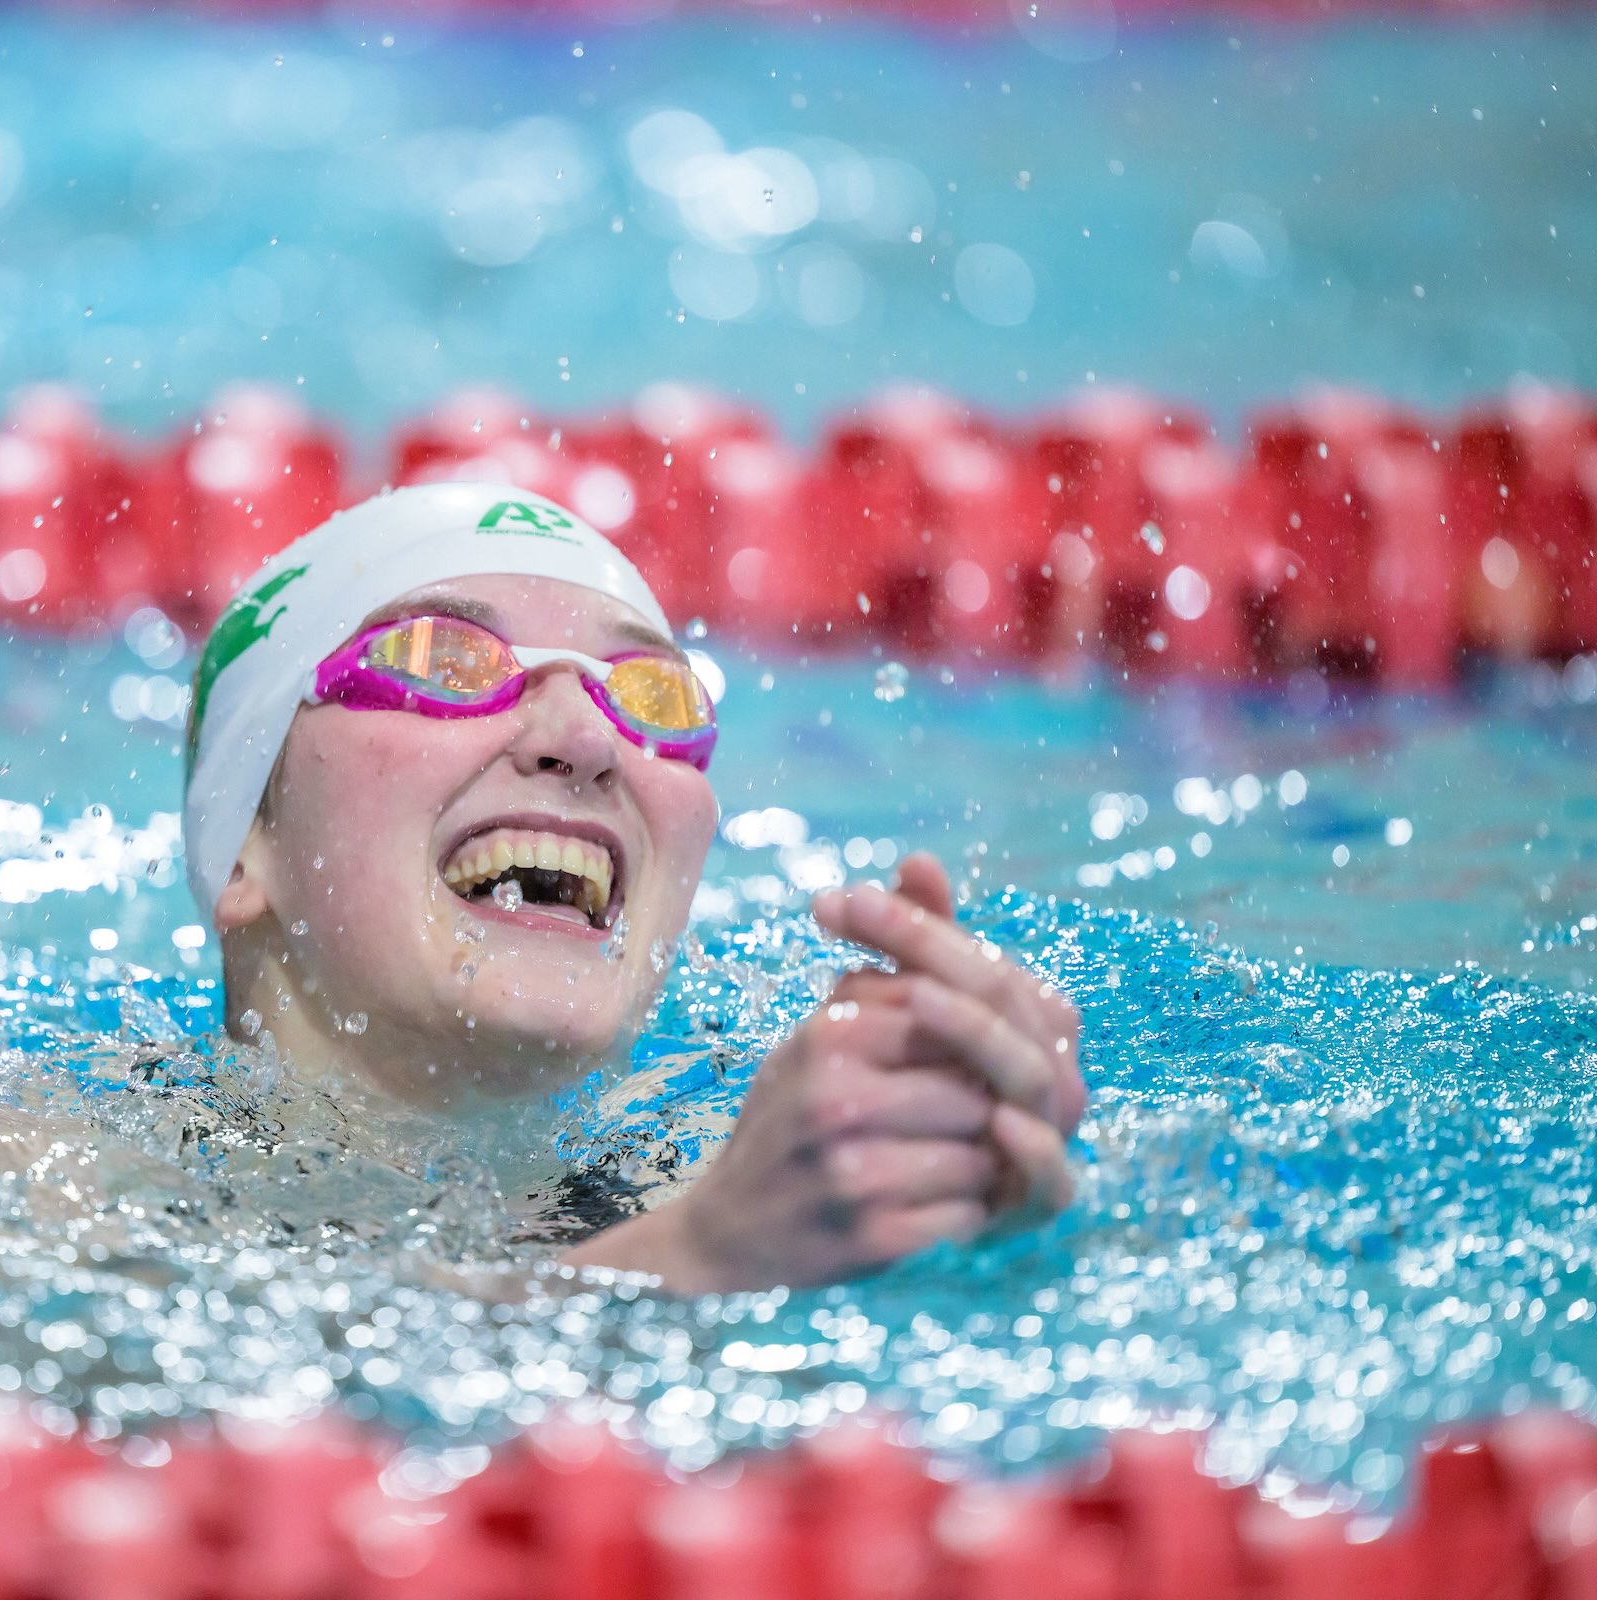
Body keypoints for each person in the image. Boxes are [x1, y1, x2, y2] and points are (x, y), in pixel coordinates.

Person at [181, 481, 1086, 1293]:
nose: (585, 738)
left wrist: (974, 1214)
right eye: (443, 659)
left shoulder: (778, 1185)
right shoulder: (60, 1177)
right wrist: (697, 1258)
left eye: (652, 694)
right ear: (244, 845)